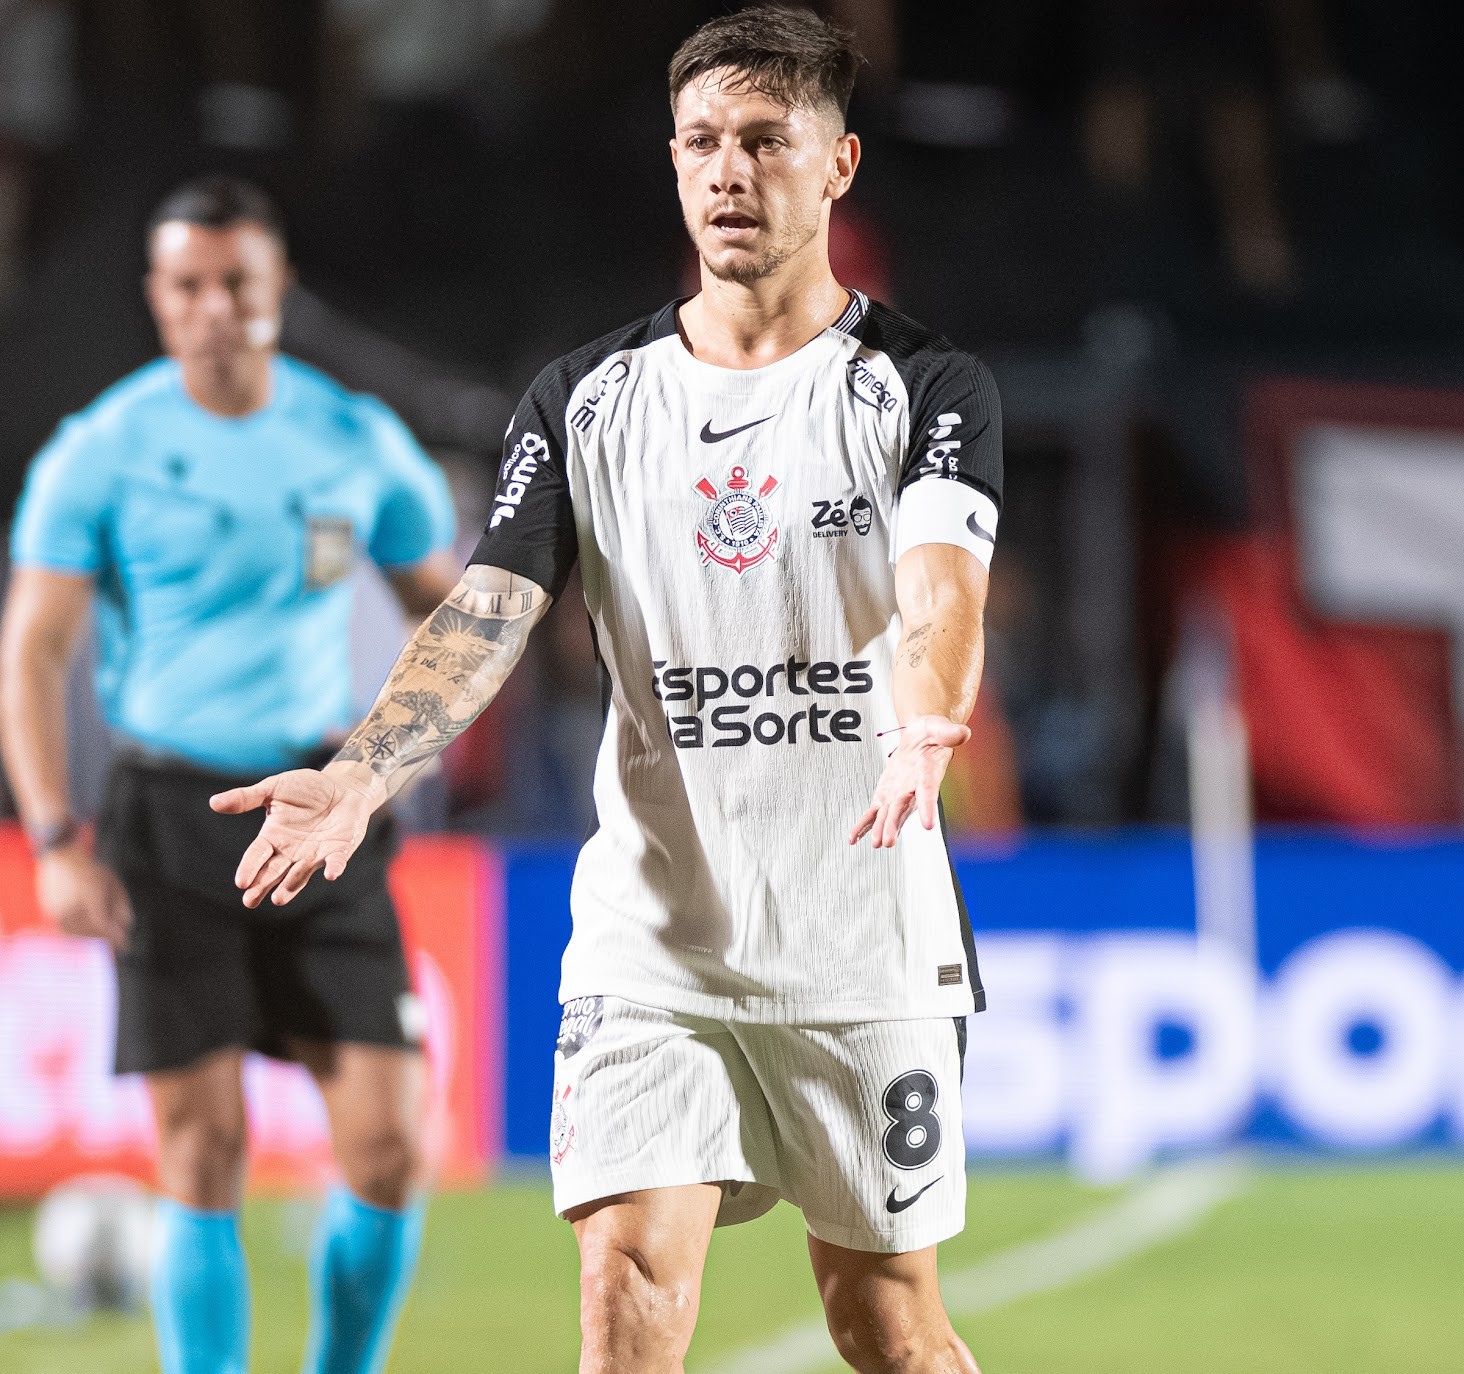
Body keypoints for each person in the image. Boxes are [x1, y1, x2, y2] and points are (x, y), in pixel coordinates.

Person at [215, 8, 999, 1371]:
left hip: (860, 933)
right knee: (626, 1284)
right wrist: (360, 771)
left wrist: (926, 714)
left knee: (885, 1326)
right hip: (654, 940)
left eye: (767, 140)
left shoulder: (923, 388)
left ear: (839, 163)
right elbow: (488, 609)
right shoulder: (587, 400)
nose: (729, 171)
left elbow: (941, 586)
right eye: (702, 141)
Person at [0, 175, 458, 1374]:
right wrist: (52, 838)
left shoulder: (354, 439)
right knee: (201, 1152)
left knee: (390, 1144)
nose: (213, 308)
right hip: (168, 814)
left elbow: (457, 615)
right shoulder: (102, 451)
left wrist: (384, 758)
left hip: (320, 809)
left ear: (279, 288)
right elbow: (33, 646)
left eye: (235, 284)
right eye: (188, 285)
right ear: (157, 296)